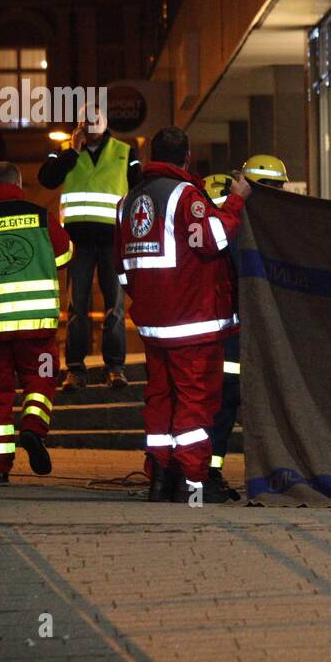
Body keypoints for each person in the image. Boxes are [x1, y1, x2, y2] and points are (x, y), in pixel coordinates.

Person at [115, 127, 250, 503]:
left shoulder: (127, 202)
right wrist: (236, 201)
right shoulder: (185, 195)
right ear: (186, 156)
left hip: (152, 324)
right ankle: (192, 484)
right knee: (195, 401)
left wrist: (150, 298)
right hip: (193, 322)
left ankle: (160, 478)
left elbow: (122, 269)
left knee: (160, 399)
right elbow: (213, 238)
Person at [0, 162, 73, 483]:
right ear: (19, 183)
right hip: (36, 328)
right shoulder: (39, 216)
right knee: (42, 380)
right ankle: (33, 430)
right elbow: (64, 257)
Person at [204, 155, 289, 502]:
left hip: (244, 336)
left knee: (226, 410)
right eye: (273, 189)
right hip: (235, 337)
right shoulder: (239, 222)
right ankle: (208, 476)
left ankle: (209, 475)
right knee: (224, 408)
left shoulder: (245, 219)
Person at [38, 107, 140, 391]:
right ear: (79, 125)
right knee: (76, 308)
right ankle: (75, 370)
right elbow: (47, 179)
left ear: (105, 124)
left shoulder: (124, 151)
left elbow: (139, 187)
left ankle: (115, 368)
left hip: (112, 240)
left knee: (115, 307)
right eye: (86, 123)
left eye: (96, 123)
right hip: (78, 241)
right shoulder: (65, 151)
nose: (91, 127)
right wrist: (72, 151)